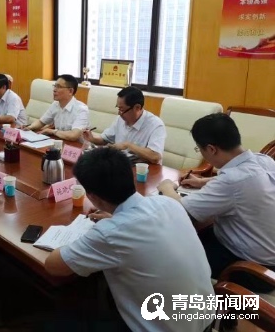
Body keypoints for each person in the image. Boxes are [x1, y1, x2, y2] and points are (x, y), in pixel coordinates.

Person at [44, 148, 214, 332]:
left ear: (91, 196)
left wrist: (107, 228)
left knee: (60, 321)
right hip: (206, 320)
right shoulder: (168, 203)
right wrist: (116, 219)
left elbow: (53, 266)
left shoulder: (110, 234)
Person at [157, 113, 275, 293]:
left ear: (211, 149)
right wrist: (202, 181)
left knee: (170, 251)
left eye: (200, 150)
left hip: (250, 269)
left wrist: (167, 187)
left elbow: (182, 209)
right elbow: (245, 180)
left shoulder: (232, 181)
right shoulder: (263, 160)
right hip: (265, 253)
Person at [83, 86, 166, 164]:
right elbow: (105, 139)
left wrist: (128, 145)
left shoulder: (155, 125)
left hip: (143, 170)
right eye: (118, 108)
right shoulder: (121, 119)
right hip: (120, 165)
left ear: (137, 108)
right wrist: (92, 138)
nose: (119, 113)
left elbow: (155, 156)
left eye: (122, 110)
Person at [24, 74, 88, 141]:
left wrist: (52, 131)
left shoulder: (81, 110)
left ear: (70, 91)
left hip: (76, 146)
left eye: (59, 87)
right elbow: (41, 122)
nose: (54, 90)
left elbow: (73, 135)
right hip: (59, 142)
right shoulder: (55, 104)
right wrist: (30, 127)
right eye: (55, 86)